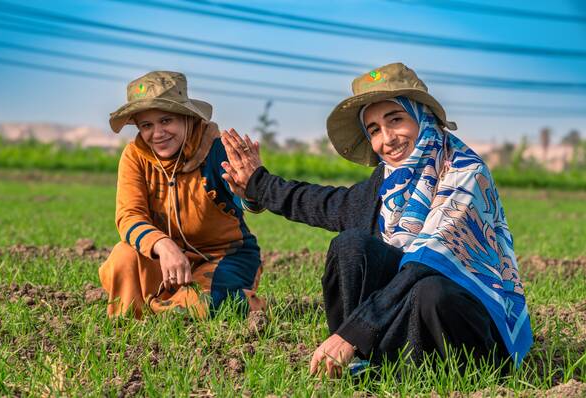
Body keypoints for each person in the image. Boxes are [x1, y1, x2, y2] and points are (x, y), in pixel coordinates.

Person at [220, 63, 532, 377]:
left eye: (396, 119)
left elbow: (427, 263)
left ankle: (419, 368)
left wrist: (353, 331)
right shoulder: (387, 184)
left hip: (466, 323)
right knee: (351, 244)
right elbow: (327, 204)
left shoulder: (465, 172)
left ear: (422, 117)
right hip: (408, 313)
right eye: (374, 130)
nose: (387, 138)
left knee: (431, 290)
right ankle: (370, 361)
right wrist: (259, 185)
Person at [99, 71, 265, 319]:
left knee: (208, 304)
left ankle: (236, 306)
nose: (157, 133)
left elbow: (248, 202)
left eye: (166, 121)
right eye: (147, 125)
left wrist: (252, 190)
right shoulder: (134, 156)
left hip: (223, 258)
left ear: (187, 118)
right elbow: (129, 215)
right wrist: (162, 244)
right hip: (165, 259)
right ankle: (135, 320)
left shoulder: (218, 151)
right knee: (123, 256)